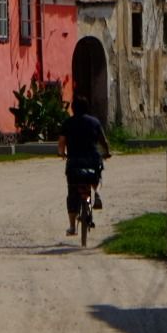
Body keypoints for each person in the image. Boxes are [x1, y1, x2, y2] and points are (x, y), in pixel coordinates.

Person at [58, 98, 112, 235]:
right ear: (87, 108)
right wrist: (107, 152)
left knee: (72, 192)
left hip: (74, 162)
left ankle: (72, 227)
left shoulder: (67, 123)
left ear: (73, 109)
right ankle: (97, 194)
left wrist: (62, 153)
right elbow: (103, 141)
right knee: (97, 176)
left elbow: (61, 142)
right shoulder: (94, 122)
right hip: (92, 160)